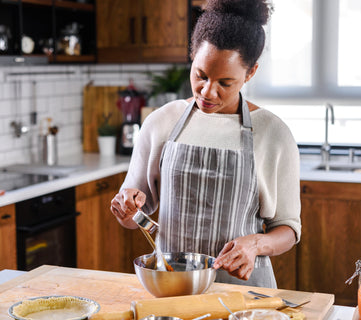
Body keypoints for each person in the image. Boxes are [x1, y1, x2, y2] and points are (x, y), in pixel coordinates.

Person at [110, 0, 301, 288]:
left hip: (244, 293)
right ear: (192, 57)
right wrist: (126, 206)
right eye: (200, 75)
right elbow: (133, 215)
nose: (208, 92)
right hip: (172, 288)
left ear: (250, 73)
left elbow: (288, 229)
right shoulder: (162, 122)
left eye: (225, 82)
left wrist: (256, 244)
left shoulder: (273, 134)